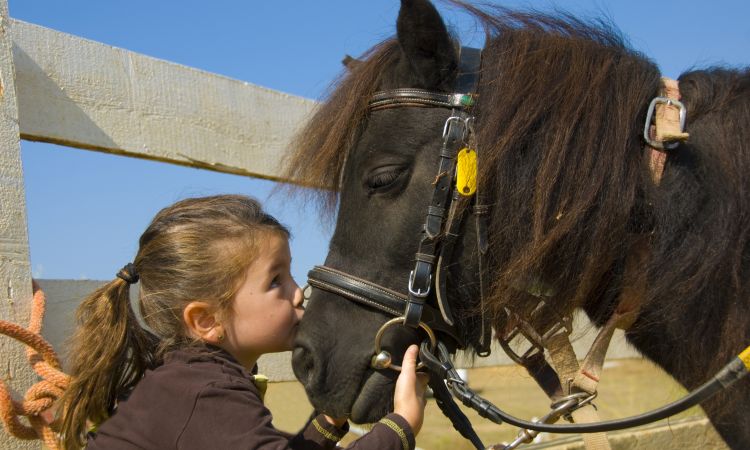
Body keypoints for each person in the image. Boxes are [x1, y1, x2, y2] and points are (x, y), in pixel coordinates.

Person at [57, 195, 429, 450]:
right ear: (205, 321)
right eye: (275, 281)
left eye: (290, 274)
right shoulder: (206, 392)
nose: (298, 293)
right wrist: (400, 426)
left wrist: (329, 421)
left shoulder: (191, 379)